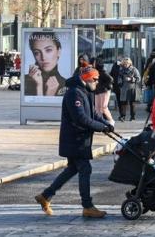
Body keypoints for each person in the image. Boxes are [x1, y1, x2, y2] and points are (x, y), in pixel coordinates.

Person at [35, 66, 113, 218]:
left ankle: (46, 196)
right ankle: (87, 206)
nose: (97, 83)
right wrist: (101, 127)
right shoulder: (74, 93)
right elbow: (81, 118)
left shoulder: (86, 91)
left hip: (80, 140)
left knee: (72, 169)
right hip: (74, 140)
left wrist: (106, 123)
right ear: (87, 78)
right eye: (95, 80)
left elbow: (94, 114)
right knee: (85, 169)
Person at [24, 32, 67, 96]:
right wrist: (39, 86)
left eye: (48, 50)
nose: (43, 58)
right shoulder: (26, 80)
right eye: (37, 53)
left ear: (59, 51)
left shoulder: (66, 83)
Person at [93, 60, 115, 127]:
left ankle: (111, 120)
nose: (93, 64)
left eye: (94, 63)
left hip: (104, 91)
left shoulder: (102, 71)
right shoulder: (95, 71)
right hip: (97, 91)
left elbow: (111, 79)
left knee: (103, 107)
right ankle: (99, 121)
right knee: (97, 108)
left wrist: (104, 86)